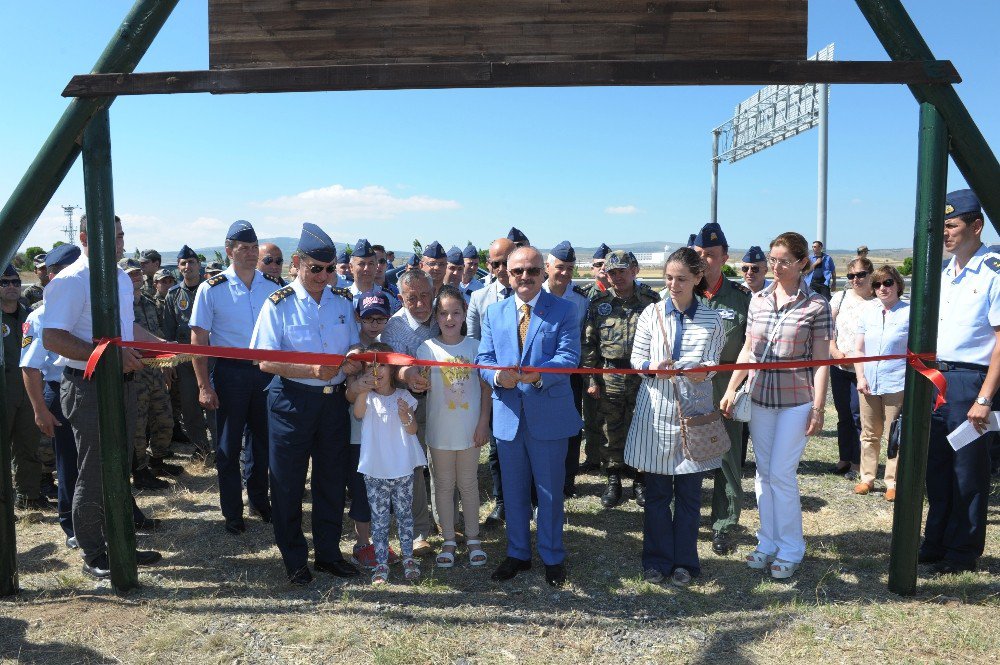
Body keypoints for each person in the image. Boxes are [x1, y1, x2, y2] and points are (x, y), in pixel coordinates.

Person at [42, 215, 163, 579]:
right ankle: (94, 552)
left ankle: (121, 543)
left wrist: (162, 347)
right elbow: (54, 338)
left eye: (121, 236)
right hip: (87, 385)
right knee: (94, 471)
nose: (119, 244)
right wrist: (109, 356)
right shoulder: (71, 280)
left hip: (121, 385)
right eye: (110, 237)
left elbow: (128, 329)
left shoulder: (122, 278)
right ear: (83, 237)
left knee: (120, 465)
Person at [249, 222, 362, 584]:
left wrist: (355, 359)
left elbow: (355, 347)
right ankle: (295, 559)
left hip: (333, 405)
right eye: (316, 268)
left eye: (330, 269)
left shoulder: (342, 300)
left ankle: (328, 553)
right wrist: (311, 369)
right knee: (288, 484)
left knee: (331, 481)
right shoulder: (277, 303)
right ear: (296, 263)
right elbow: (264, 359)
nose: (323, 276)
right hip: (292, 403)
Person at [721, 231, 832, 580]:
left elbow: (822, 362)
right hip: (761, 398)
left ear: (802, 263)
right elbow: (749, 349)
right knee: (763, 474)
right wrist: (732, 387)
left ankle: (791, 547)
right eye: (773, 260)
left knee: (781, 474)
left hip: (796, 401)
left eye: (784, 260)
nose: (776, 266)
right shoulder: (759, 300)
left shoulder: (816, 305)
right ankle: (767, 541)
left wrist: (818, 407)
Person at [476, 245, 582, 587]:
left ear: (544, 272)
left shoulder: (564, 310)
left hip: (547, 415)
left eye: (532, 270)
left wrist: (537, 374)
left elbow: (568, 358)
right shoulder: (494, 312)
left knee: (549, 491)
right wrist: (496, 376)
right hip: (509, 416)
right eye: (517, 271)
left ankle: (552, 556)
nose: (525, 277)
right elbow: (484, 358)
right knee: (514, 491)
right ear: (506, 273)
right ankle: (518, 554)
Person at [626, 247, 724, 587]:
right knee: (656, 495)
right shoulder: (650, 314)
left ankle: (685, 562)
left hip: (694, 417)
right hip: (656, 416)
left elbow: (714, 363)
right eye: (669, 278)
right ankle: (655, 560)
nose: (673, 284)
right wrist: (654, 370)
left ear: (698, 279)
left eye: (681, 279)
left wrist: (703, 374)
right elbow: (637, 360)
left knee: (689, 496)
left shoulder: (713, 319)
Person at [920, 189, 999, 575]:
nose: (946, 234)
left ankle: (963, 551)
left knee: (968, 471)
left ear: (976, 226)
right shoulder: (945, 274)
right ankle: (935, 542)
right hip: (938, 380)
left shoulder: (994, 270)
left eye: (952, 226)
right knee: (937, 467)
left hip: (972, 383)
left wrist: (985, 398)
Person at [190, 220, 282, 535]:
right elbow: (198, 340)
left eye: (255, 248)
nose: (250, 253)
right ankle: (232, 512)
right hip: (230, 373)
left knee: (263, 443)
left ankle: (259, 501)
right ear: (229, 251)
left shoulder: (272, 287)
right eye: (244, 248)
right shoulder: (210, 289)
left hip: (265, 372)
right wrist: (204, 385)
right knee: (228, 447)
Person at [416, 285, 491, 569]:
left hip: (471, 431)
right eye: (444, 313)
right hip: (439, 433)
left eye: (456, 313)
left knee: (469, 485)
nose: (450, 319)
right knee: (444, 486)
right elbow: (420, 383)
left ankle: (473, 538)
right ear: (436, 316)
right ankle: (448, 539)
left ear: (464, 315)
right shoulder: (427, 348)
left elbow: (485, 390)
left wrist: (483, 422)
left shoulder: (475, 348)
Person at [690, 223, 751, 556]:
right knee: (685, 458)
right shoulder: (684, 295)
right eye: (699, 254)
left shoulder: (741, 299)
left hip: (725, 390)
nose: (704, 260)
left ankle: (724, 525)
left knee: (726, 460)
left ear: (725, 258)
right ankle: (682, 518)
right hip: (687, 392)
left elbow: (750, 347)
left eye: (711, 255)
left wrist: (736, 388)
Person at [582, 250, 661, 508]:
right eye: (612, 272)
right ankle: (613, 480)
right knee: (610, 429)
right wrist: (592, 380)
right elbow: (590, 344)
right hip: (610, 374)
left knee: (642, 426)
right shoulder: (599, 304)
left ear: (635, 270)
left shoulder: (652, 301)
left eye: (622, 271)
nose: (617, 277)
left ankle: (640, 479)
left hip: (642, 375)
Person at [20, 244, 82, 545]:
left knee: (90, 462)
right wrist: (39, 410)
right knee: (69, 463)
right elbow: (30, 367)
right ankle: (71, 525)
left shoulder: (87, 308)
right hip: (59, 392)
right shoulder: (42, 315)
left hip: (89, 389)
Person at [354, 341, 426, 584]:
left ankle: (408, 558)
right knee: (380, 519)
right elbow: (358, 414)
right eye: (370, 366)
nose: (376, 371)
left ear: (392, 369)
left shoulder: (404, 396)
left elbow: (413, 429)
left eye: (381, 365)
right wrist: (362, 388)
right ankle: (381, 562)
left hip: (402, 469)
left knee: (405, 516)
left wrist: (406, 416)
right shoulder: (367, 398)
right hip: (375, 470)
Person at [382, 269, 441, 556]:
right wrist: (408, 374)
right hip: (410, 404)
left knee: (443, 461)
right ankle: (420, 532)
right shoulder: (393, 327)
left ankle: (448, 522)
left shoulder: (444, 317)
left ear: (433, 293)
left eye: (425, 296)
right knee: (415, 468)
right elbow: (392, 367)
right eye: (412, 298)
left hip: (444, 403)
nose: (420, 304)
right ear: (401, 297)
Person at [466, 236, 517, 526]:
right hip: (494, 383)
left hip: (530, 381)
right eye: (495, 263)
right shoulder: (479, 297)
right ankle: (502, 503)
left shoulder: (535, 293)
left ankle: (532, 501)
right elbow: (475, 344)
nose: (501, 268)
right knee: (498, 449)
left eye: (506, 261)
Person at [120, 259, 182, 490]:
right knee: (137, 423)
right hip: (134, 371)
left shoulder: (148, 303)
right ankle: (140, 471)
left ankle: (158, 460)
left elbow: (157, 332)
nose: (135, 277)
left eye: (137, 273)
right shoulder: (120, 307)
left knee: (164, 416)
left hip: (154, 370)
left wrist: (166, 359)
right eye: (130, 274)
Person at [853, 264, 909, 501]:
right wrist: (860, 376)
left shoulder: (909, 312)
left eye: (887, 283)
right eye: (877, 284)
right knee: (869, 433)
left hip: (897, 380)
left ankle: (892, 481)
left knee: (894, 433)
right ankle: (867, 478)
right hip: (868, 382)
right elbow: (859, 348)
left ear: (897, 284)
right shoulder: (867, 311)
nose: (882, 288)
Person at [542, 241, 589, 497]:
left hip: (569, 373)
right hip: (538, 372)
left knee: (571, 426)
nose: (565, 273)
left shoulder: (580, 300)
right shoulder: (535, 294)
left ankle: (567, 480)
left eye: (570, 268)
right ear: (548, 267)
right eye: (560, 267)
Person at [162, 245, 215, 460]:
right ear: (178, 267)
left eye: (191, 262)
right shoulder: (173, 294)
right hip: (184, 360)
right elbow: (168, 330)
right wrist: (169, 362)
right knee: (190, 406)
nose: (188, 266)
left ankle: (220, 447)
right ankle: (201, 447)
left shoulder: (211, 290)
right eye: (183, 263)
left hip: (210, 357)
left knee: (214, 402)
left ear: (199, 265)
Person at [2, 263, 46, 509]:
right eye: (5, 282)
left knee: (28, 445)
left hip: (28, 390)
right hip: (3, 392)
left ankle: (28, 496)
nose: (12, 287)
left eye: (16, 282)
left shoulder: (28, 315)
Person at [828, 257, 875, 478]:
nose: (856, 279)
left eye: (860, 275)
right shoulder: (840, 297)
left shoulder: (877, 301)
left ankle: (858, 463)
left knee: (859, 416)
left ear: (871, 274)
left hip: (864, 369)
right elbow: (827, 329)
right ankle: (844, 459)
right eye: (851, 276)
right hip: (838, 365)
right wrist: (835, 352)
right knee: (843, 413)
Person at [578, 242, 612, 473]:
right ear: (592, 269)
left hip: (615, 365)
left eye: (606, 265)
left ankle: (614, 459)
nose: (602, 268)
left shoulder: (621, 294)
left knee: (614, 416)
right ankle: (592, 457)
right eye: (597, 265)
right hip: (590, 362)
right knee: (591, 414)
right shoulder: (584, 297)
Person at [349, 239, 400, 313]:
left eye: (371, 263)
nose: (366, 268)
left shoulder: (388, 298)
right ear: (351, 267)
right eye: (361, 264)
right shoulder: (340, 299)